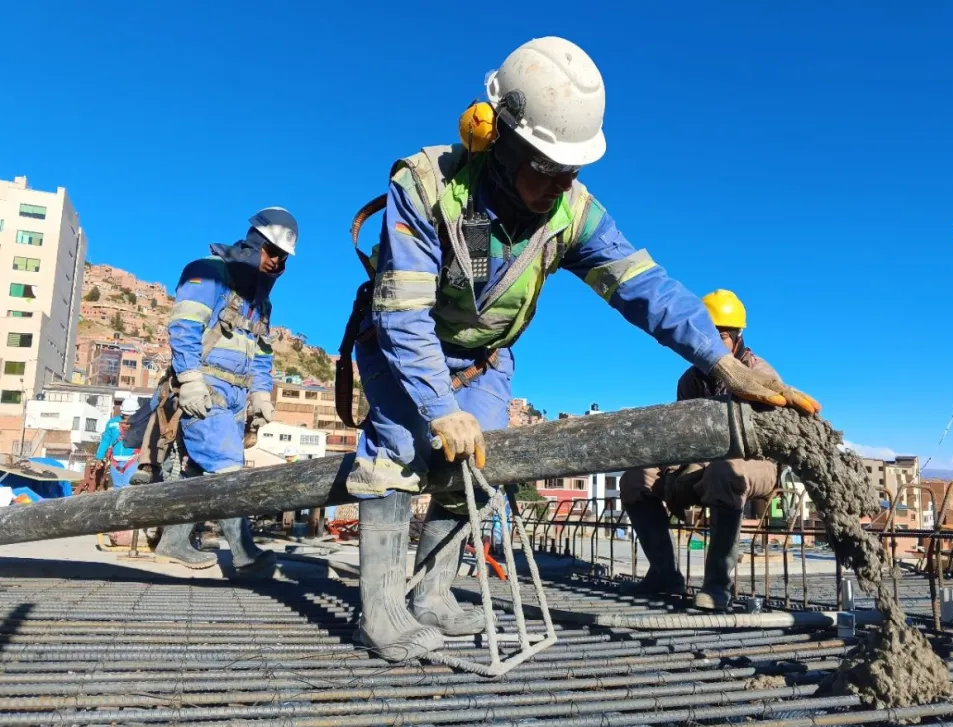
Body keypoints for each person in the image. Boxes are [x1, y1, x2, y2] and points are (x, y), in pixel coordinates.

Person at [343, 37, 819, 661]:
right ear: (498, 139)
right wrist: (436, 408)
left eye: (571, 171)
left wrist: (720, 361)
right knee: (403, 448)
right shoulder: (429, 186)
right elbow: (403, 314)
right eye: (545, 168)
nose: (559, 185)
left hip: (483, 360)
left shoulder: (573, 210)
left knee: (478, 467)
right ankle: (379, 608)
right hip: (405, 344)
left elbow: (643, 286)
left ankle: (431, 593)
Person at [619, 289, 800, 611]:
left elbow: (763, 438)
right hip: (703, 461)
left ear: (738, 337)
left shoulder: (759, 374)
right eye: (707, 336)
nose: (714, 344)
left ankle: (717, 585)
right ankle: (664, 574)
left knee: (725, 470)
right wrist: (678, 469)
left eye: (723, 336)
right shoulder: (691, 380)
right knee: (636, 479)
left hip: (756, 464)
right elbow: (684, 435)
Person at [151, 207, 295, 573]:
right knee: (229, 470)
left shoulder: (260, 301)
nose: (276, 262)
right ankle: (246, 556)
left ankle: (172, 542)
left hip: (235, 398)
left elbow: (261, 353)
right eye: (272, 251)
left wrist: (261, 395)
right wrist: (190, 380)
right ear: (255, 243)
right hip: (206, 389)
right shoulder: (208, 271)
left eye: (283, 257)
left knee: (200, 473)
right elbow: (184, 327)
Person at [95, 395, 142, 489]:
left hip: (132, 460)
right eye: (125, 414)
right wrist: (99, 458)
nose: (127, 417)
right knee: (117, 488)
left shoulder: (140, 423)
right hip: (115, 461)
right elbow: (105, 440)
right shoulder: (112, 423)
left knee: (129, 488)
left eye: (130, 415)